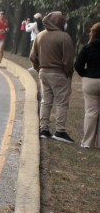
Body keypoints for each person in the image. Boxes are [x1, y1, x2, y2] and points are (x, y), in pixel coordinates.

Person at [30, 11, 76, 142]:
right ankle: (60, 131)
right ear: (59, 22)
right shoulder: (64, 37)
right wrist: (68, 73)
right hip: (59, 73)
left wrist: (39, 69)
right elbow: (68, 60)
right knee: (61, 103)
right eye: (63, 20)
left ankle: (44, 129)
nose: (64, 23)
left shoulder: (40, 36)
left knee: (46, 101)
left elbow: (32, 57)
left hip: (43, 72)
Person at [74, 21, 100, 149]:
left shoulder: (88, 47)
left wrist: (86, 74)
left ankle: (87, 142)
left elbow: (78, 65)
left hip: (90, 81)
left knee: (91, 112)